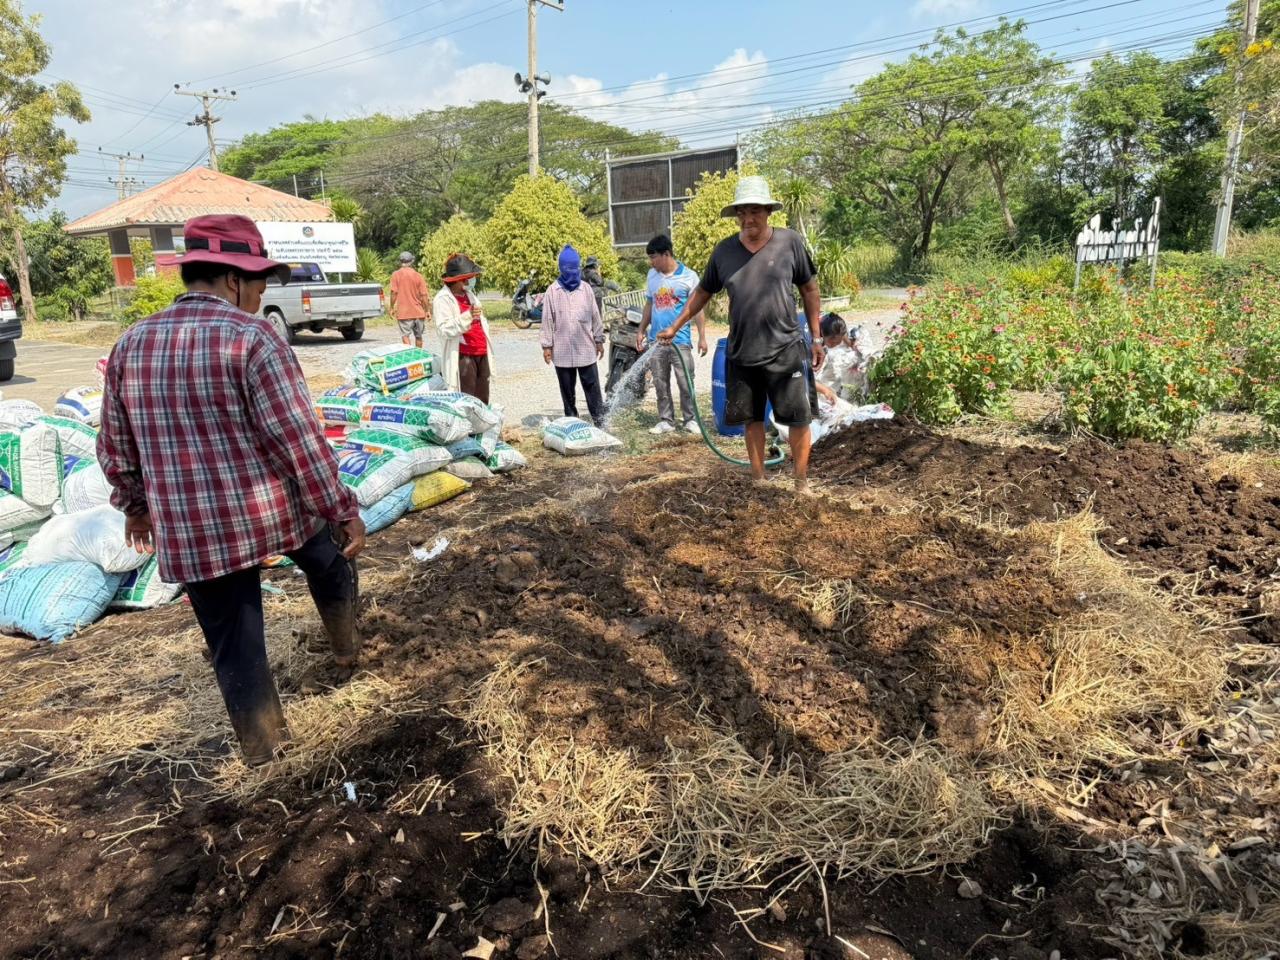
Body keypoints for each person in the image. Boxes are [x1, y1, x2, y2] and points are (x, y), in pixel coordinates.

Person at [98, 215, 365, 767]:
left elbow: (115, 447)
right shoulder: (253, 339)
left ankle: (266, 754)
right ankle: (347, 650)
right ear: (235, 279)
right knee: (330, 559)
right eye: (260, 286)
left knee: (233, 642)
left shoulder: (131, 344)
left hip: (194, 530)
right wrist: (342, 509)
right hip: (268, 511)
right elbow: (298, 440)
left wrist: (136, 508)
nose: (259, 298)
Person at [658, 176, 823, 492]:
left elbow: (809, 289)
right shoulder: (724, 251)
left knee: (798, 418)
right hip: (742, 351)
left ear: (768, 211)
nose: (748, 219)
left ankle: (801, 484)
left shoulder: (789, 242)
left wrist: (816, 338)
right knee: (751, 419)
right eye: (742, 212)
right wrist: (675, 326)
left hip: (786, 347)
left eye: (755, 211)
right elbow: (702, 293)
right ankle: (759, 481)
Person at [636, 234, 707, 435]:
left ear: (666, 254)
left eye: (653, 257)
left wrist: (702, 337)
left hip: (680, 339)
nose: (651, 262)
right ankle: (666, 420)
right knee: (660, 382)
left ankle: (690, 419)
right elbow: (649, 304)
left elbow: (698, 309)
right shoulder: (652, 276)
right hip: (656, 340)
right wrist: (641, 329)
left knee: (685, 381)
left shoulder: (689, 276)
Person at [541, 245, 606, 425]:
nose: (571, 272)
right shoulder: (552, 291)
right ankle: (572, 422)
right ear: (561, 269)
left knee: (592, 388)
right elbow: (547, 320)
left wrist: (599, 340)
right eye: (567, 268)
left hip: (585, 349)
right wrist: (547, 346)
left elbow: (595, 316)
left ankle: (600, 422)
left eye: (574, 268)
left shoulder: (586, 289)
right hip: (562, 352)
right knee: (567, 391)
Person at [433, 253, 494, 401]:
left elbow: (480, 321)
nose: (472, 280)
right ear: (460, 280)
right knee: (467, 399)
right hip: (464, 355)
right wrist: (467, 316)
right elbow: (444, 329)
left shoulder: (469, 295)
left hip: (481, 351)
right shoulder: (442, 299)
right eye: (470, 277)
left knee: (483, 398)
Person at [388, 251, 431, 349]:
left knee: (405, 336)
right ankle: (419, 355)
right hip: (418, 312)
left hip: (404, 313)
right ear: (411, 261)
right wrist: (427, 310)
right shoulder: (418, 275)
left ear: (400, 262)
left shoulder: (396, 275)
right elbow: (424, 295)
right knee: (419, 336)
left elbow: (394, 292)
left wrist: (391, 307)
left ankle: (410, 355)